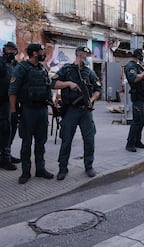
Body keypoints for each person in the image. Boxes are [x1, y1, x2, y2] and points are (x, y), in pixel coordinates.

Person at [51, 46, 101, 180]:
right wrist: (68, 84)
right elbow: (53, 83)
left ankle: (89, 166)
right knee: (66, 140)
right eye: (86, 54)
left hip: (85, 111)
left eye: (88, 55)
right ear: (79, 55)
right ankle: (62, 168)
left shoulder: (89, 72)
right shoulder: (67, 70)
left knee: (89, 139)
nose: (88, 57)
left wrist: (91, 99)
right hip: (71, 110)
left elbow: (98, 89)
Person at [9, 43, 54, 184]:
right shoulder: (21, 68)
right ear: (34, 53)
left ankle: (40, 169)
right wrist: (13, 111)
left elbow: (47, 87)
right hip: (28, 110)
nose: (43, 53)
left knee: (41, 142)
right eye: (41, 51)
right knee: (27, 143)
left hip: (42, 110)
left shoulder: (42, 68)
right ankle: (25, 172)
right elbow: (12, 91)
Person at [124, 49, 144, 152]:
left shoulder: (139, 66)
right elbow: (134, 79)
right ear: (139, 56)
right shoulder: (131, 66)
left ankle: (137, 141)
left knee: (142, 121)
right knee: (136, 121)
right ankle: (130, 143)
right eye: (142, 55)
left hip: (143, 97)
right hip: (137, 98)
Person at [0, 42, 19, 170]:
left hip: (13, 101)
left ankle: (7, 153)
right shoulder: (1, 63)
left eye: (13, 50)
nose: (10, 52)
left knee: (12, 127)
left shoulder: (16, 65)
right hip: (2, 102)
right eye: (8, 49)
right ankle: (4, 159)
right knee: (5, 129)